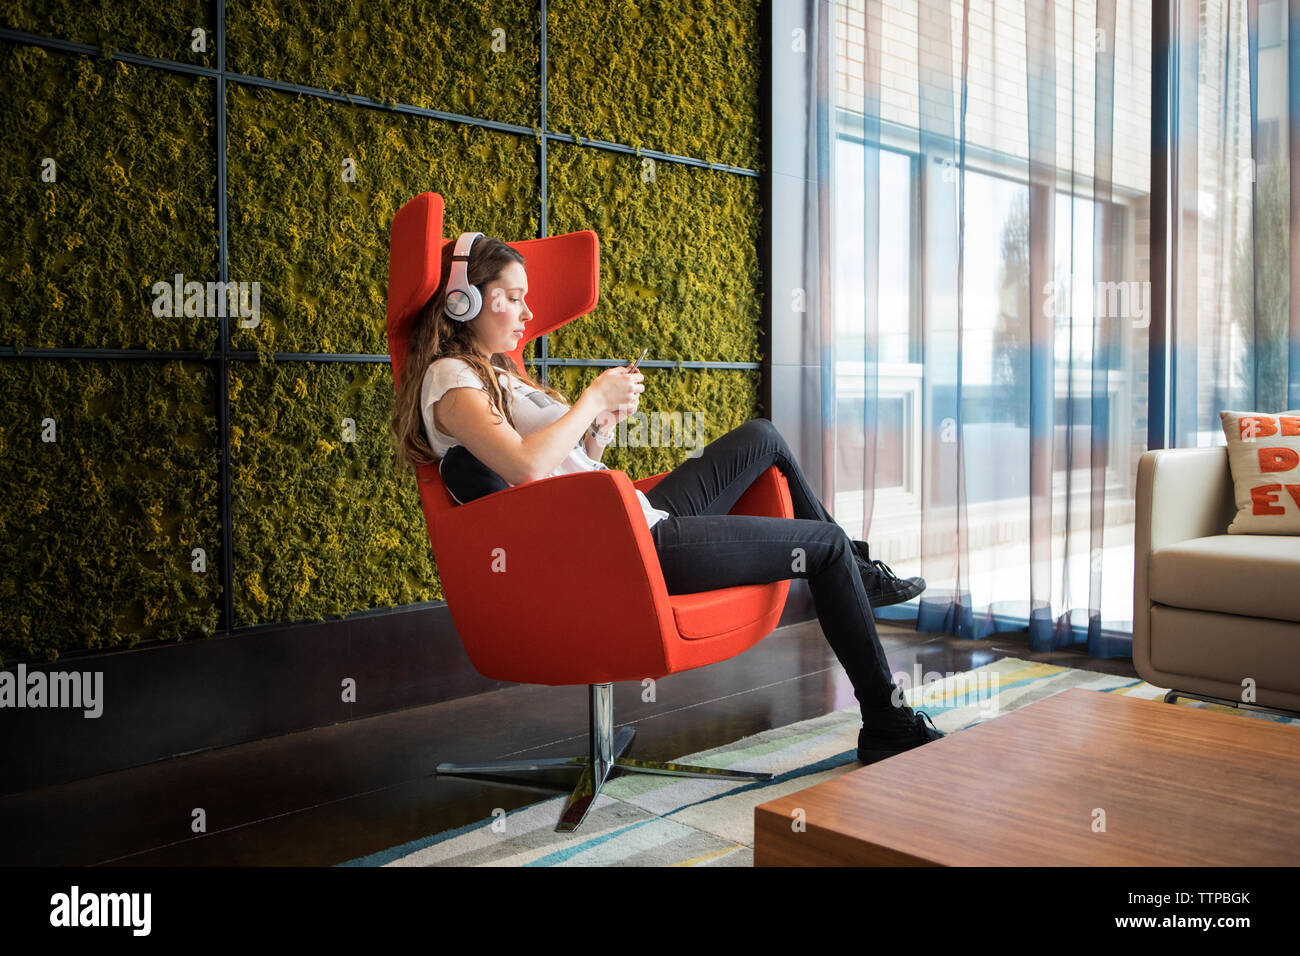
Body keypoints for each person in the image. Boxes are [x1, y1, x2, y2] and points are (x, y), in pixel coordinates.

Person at [390, 233, 943, 762]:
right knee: (822, 546)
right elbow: (525, 466)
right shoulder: (450, 380)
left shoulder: (499, 374)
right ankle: (885, 719)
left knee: (763, 436)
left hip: (626, 518)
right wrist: (590, 399)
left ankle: (860, 569)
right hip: (625, 549)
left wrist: (600, 425)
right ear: (464, 302)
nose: (527, 314)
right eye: (512, 298)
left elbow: (570, 473)